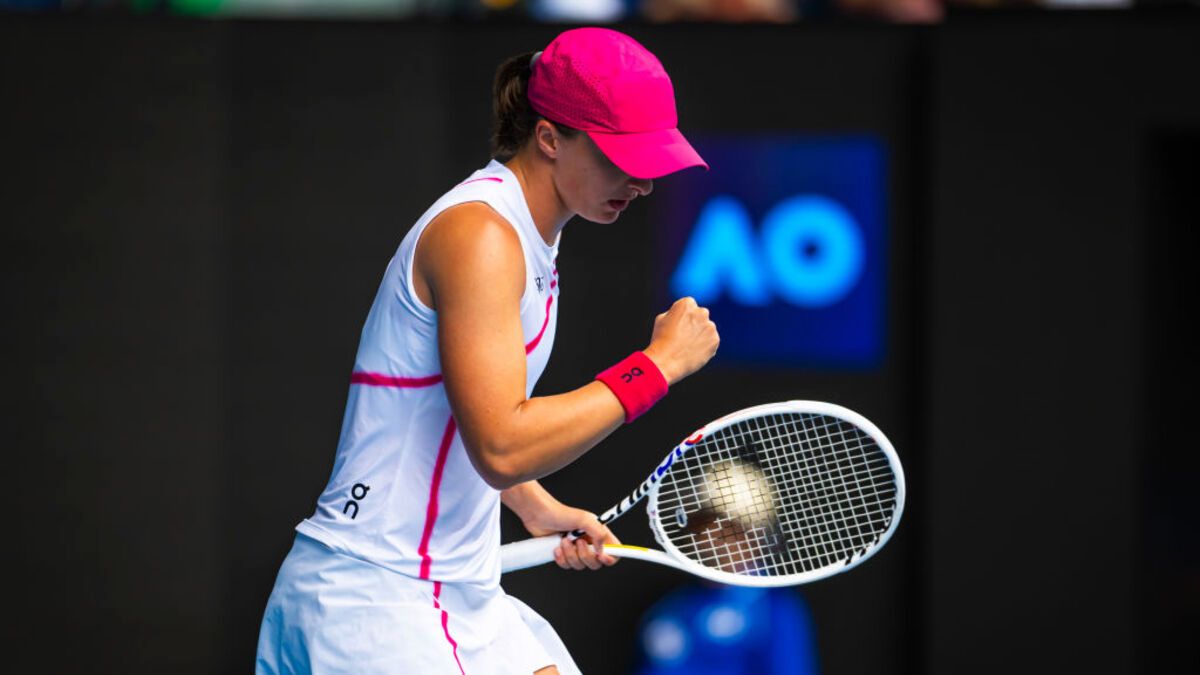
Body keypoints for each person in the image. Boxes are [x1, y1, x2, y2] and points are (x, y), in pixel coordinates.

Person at [255, 27, 718, 675]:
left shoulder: (525, 236)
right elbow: (503, 443)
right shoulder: (481, 237)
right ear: (550, 137)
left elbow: (462, 416)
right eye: (621, 157)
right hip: (379, 599)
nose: (641, 183)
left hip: (445, 590)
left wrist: (536, 506)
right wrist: (659, 365)